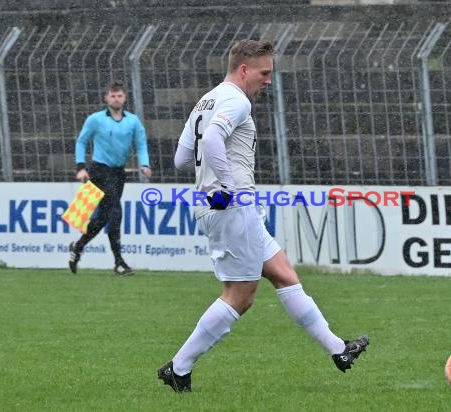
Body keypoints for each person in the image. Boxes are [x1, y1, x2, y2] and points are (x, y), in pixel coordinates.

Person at [157, 39, 369, 393]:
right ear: (244, 70)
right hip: (230, 206)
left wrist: (215, 181)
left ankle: (338, 349)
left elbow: (182, 159)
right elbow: (210, 141)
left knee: (283, 273)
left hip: (224, 206)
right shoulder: (236, 100)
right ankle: (179, 367)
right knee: (240, 295)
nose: (268, 80)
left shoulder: (205, 100)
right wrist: (226, 185)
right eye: (264, 72)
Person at [68, 80, 152, 276]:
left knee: (103, 218)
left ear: (125, 98)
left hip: (117, 172)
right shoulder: (96, 119)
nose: (116, 98)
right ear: (106, 98)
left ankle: (78, 247)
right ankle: (119, 262)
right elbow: (81, 141)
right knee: (115, 211)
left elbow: (141, 145)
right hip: (99, 171)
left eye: (119, 95)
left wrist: (145, 164)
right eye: (112, 95)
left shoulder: (132, 121)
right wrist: (80, 167)